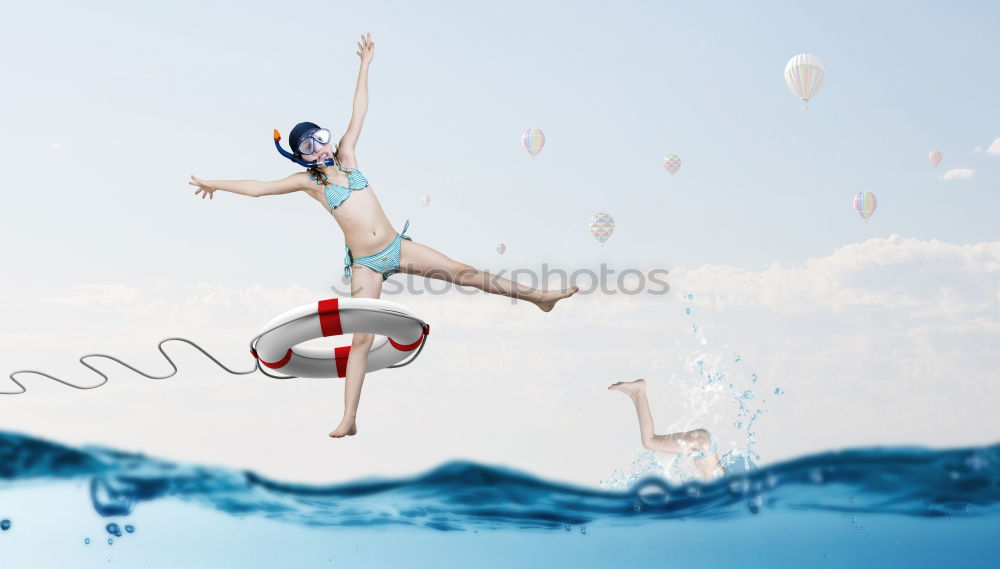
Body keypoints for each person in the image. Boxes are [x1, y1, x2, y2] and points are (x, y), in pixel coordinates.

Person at [189, 33, 578, 438]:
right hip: (366, 265)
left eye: (321, 137)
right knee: (362, 340)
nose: (321, 146)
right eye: (309, 145)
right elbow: (259, 186)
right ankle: (349, 418)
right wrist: (216, 183)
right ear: (301, 155)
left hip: (397, 247)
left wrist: (364, 65)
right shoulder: (309, 181)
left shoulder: (350, 155)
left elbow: (359, 111)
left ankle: (539, 298)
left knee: (464, 271)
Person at [608, 379, 725, 482]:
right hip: (703, 445)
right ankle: (639, 391)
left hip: (704, 444)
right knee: (649, 442)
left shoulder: (725, 496)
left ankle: (634, 394)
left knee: (650, 442)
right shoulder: (723, 499)